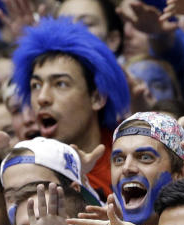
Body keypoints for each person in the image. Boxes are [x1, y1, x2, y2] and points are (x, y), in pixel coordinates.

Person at [12, 17, 130, 197]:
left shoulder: (130, 164)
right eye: (35, 85)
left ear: (97, 97)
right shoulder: (22, 169)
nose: (42, 98)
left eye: (60, 84)